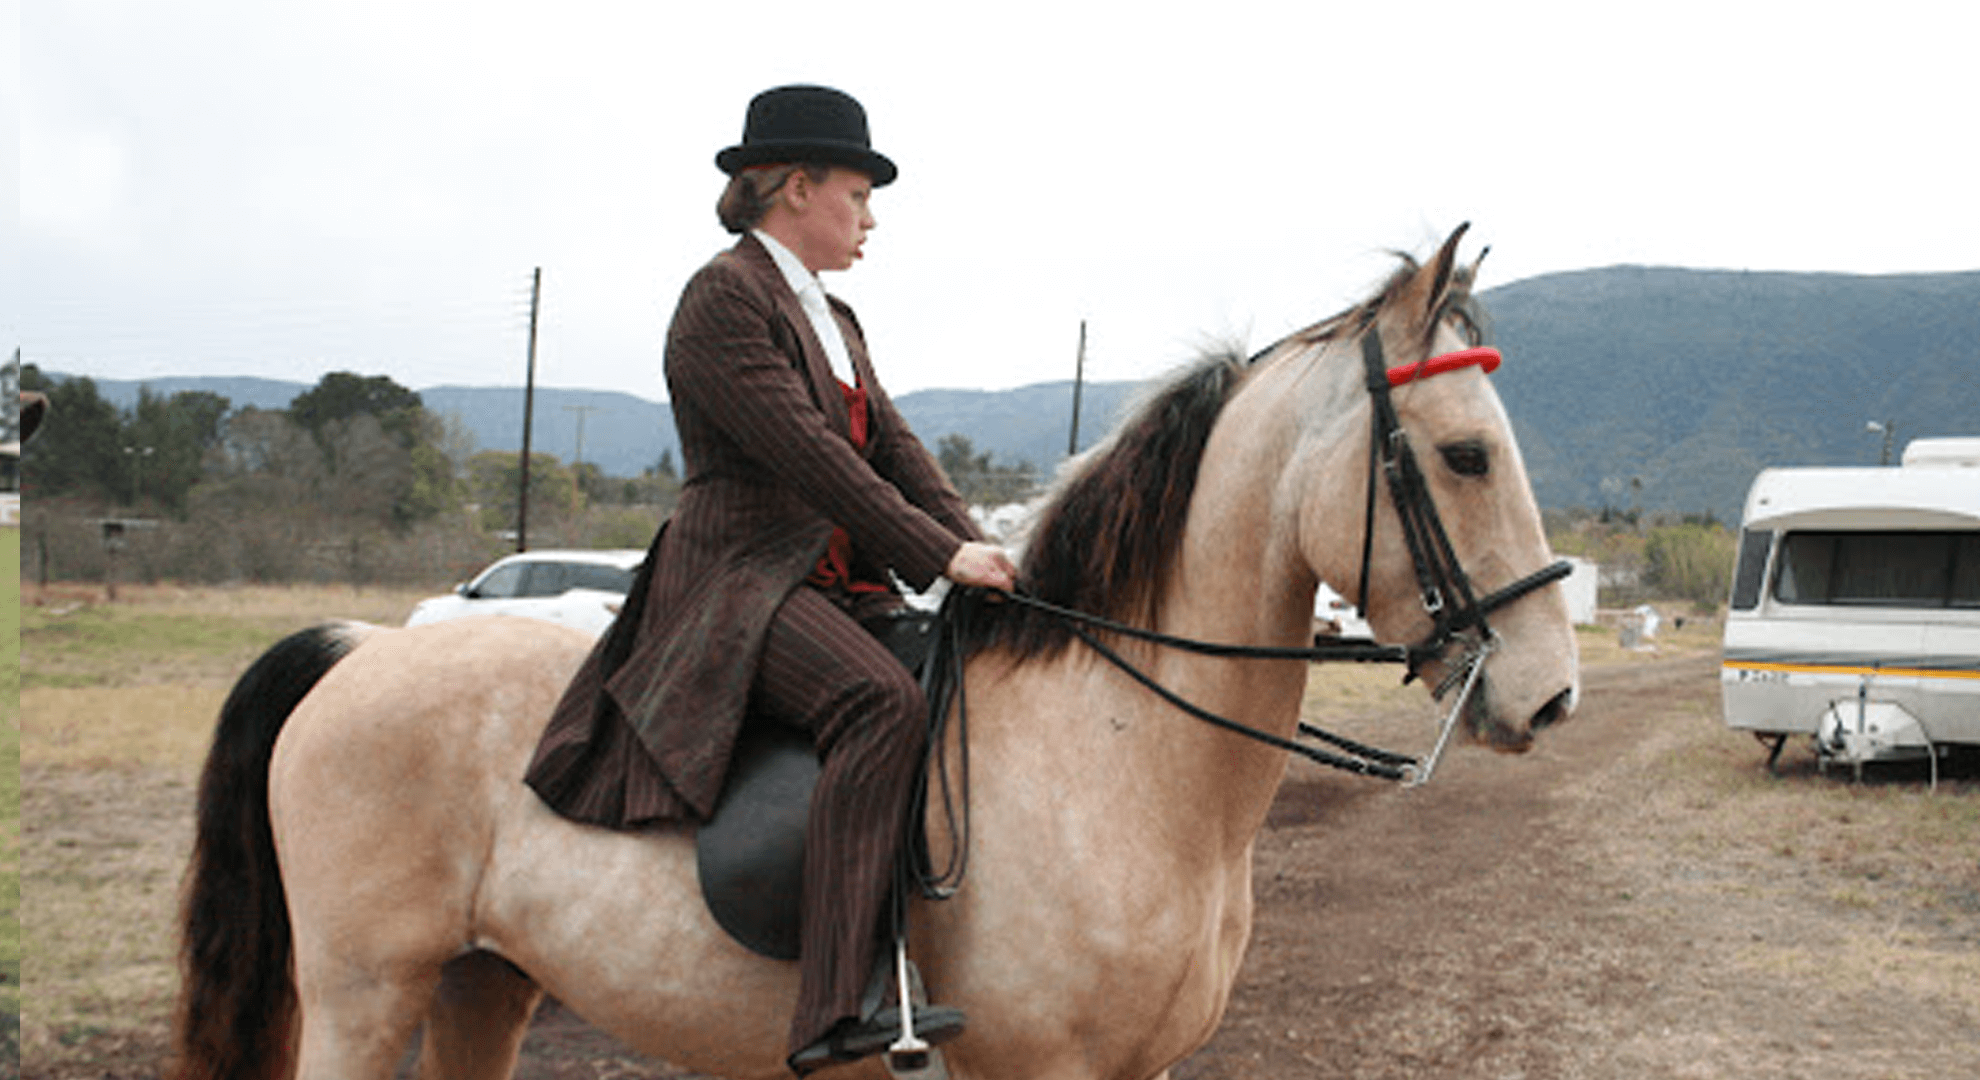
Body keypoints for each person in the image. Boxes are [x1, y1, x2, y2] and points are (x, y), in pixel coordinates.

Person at [524, 84, 1016, 1074]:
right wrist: (936, 556)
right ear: (796, 187)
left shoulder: (832, 314)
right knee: (879, 705)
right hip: (741, 584)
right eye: (858, 192)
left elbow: (896, 452)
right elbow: (808, 457)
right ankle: (834, 1010)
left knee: (968, 672)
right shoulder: (723, 299)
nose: (871, 217)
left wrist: (981, 559)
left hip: (832, 583)